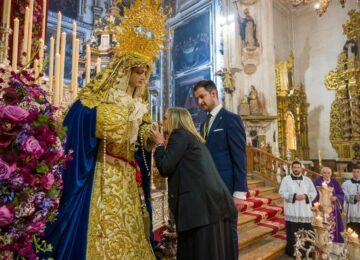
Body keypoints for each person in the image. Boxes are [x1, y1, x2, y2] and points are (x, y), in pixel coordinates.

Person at [150, 107, 237, 260]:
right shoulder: (192, 138)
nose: (161, 122)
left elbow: (165, 167)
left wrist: (158, 145)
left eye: (165, 118)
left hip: (198, 209)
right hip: (210, 206)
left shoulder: (178, 135)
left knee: (198, 252)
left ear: (174, 120)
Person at [193, 79, 248, 258]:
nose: (200, 102)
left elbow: (239, 158)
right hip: (209, 190)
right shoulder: (204, 124)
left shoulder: (231, 119)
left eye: (202, 97)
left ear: (214, 93)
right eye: (197, 99)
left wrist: (240, 192)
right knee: (216, 236)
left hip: (227, 189)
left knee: (229, 234)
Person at [279, 161, 317, 257]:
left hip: (305, 211)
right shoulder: (286, 180)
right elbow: (282, 192)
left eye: (298, 167)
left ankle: (308, 251)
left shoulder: (307, 180)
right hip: (292, 210)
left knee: (307, 231)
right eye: (294, 167)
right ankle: (293, 252)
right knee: (293, 232)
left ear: (301, 168)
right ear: (292, 168)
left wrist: (305, 196)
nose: (296, 169)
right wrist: (294, 196)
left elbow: (314, 192)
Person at [313, 167, 345, 243]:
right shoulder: (316, 182)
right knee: (322, 224)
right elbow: (312, 193)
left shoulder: (334, 182)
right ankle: (322, 241)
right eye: (324, 173)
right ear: (321, 173)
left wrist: (336, 197)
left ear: (331, 174)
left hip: (333, 208)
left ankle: (335, 241)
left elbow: (341, 193)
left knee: (334, 225)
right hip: (321, 208)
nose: (326, 174)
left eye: (328, 173)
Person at [342, 164, 360, 235]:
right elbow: (344, 196)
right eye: (354, 172)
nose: (356, 173)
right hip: (351, 210)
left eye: (358, 172)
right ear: (352, 173)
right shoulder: (346, 184)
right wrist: (354, 198)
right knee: (352, 232)